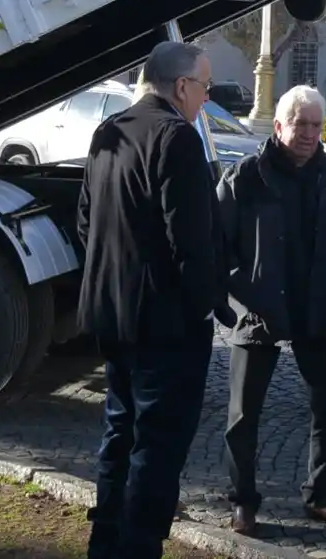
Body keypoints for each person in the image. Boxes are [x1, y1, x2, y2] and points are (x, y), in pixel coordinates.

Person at [77, 41, 228, 559]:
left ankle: (105, 541)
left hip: (111, 311)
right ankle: (138, 547)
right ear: (182, 86)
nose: (205, 100)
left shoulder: (107, 131)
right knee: (157, 446)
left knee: (120, 432)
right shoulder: (178, 139)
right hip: (166, 323)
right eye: (204, 88)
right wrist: (204, 305)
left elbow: (86, 222)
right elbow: (190, 240)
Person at [216, 84, 326, 536]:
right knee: (243, 416)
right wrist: (234, 307)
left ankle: (320, 496)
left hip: (314, 313)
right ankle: (243, 501)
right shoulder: (245, 177)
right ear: (278, 125)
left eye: (316, 125)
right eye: (300, 124)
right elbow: (218, 248)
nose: (308, 133)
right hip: (258, 310)